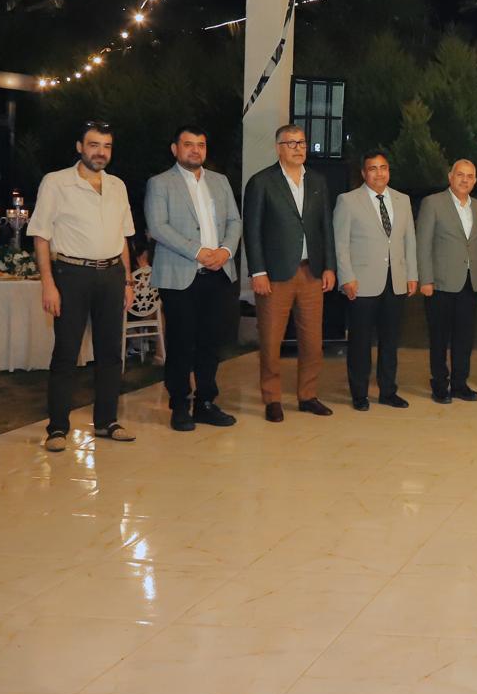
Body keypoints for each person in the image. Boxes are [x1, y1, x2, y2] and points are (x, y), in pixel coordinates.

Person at [27, 121, 137, 451]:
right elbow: (41, 236)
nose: (100, 152)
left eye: (106, 146)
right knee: (66, 353)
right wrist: (48, 284)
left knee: (110, 354)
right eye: (94, 145)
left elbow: (123, 237)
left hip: (112, 275)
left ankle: (106, 421)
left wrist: (127, 280)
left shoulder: (117, 186)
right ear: (79, 147)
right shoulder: (56, 182)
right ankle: (57, 428)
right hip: (71, 275)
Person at [143, 125, 242, 432]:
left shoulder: (220, 181)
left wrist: (225, 250)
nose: (195, 150)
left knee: (211, 343)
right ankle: (179, 405)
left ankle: (206, 402)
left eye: (201, 144)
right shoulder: (160, 183)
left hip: (218, 273)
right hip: (180, 276)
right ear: (175, 149)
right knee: (181, 344)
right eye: (188, 144)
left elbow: (234, 221)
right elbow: (158, 226)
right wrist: (198, 251)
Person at [242, 123, 337, 423]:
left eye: (302, 143)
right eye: (292, 143)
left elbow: (326, 227)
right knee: (271, 341)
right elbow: (252, 230)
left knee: (312, 341)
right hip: (274, 274)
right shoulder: (261, 182)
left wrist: (330, 266)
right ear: (278, 148)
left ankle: (308, 395)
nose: (299, 148)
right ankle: (272, 398)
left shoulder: (318, 181)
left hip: (312, 272)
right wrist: (257, 271)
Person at [334, 150, 418, 411]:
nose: (379, 173)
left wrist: (412, 274)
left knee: (390, 341)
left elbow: (409, 240)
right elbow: (340, 244)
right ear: (364, 173)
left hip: (396, 281)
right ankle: (359, 393)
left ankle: (388, 391)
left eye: (383, 168)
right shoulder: (348, 201)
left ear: (389, 171)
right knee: (360, 342)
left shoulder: (402, 200)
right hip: (361, 283)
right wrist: (346, 277)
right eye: (373, 168)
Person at [416, 160, 477, 404]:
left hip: (470, 283)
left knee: (464, 338)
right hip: (439, 283)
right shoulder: (433, 203)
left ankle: (460, 384)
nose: (465, 180)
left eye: (470, 176)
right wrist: (425, 279)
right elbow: (423, 244)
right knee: (439, 337)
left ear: (475, 181)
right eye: (460, 175)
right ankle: (440, 384)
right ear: (450, 176)